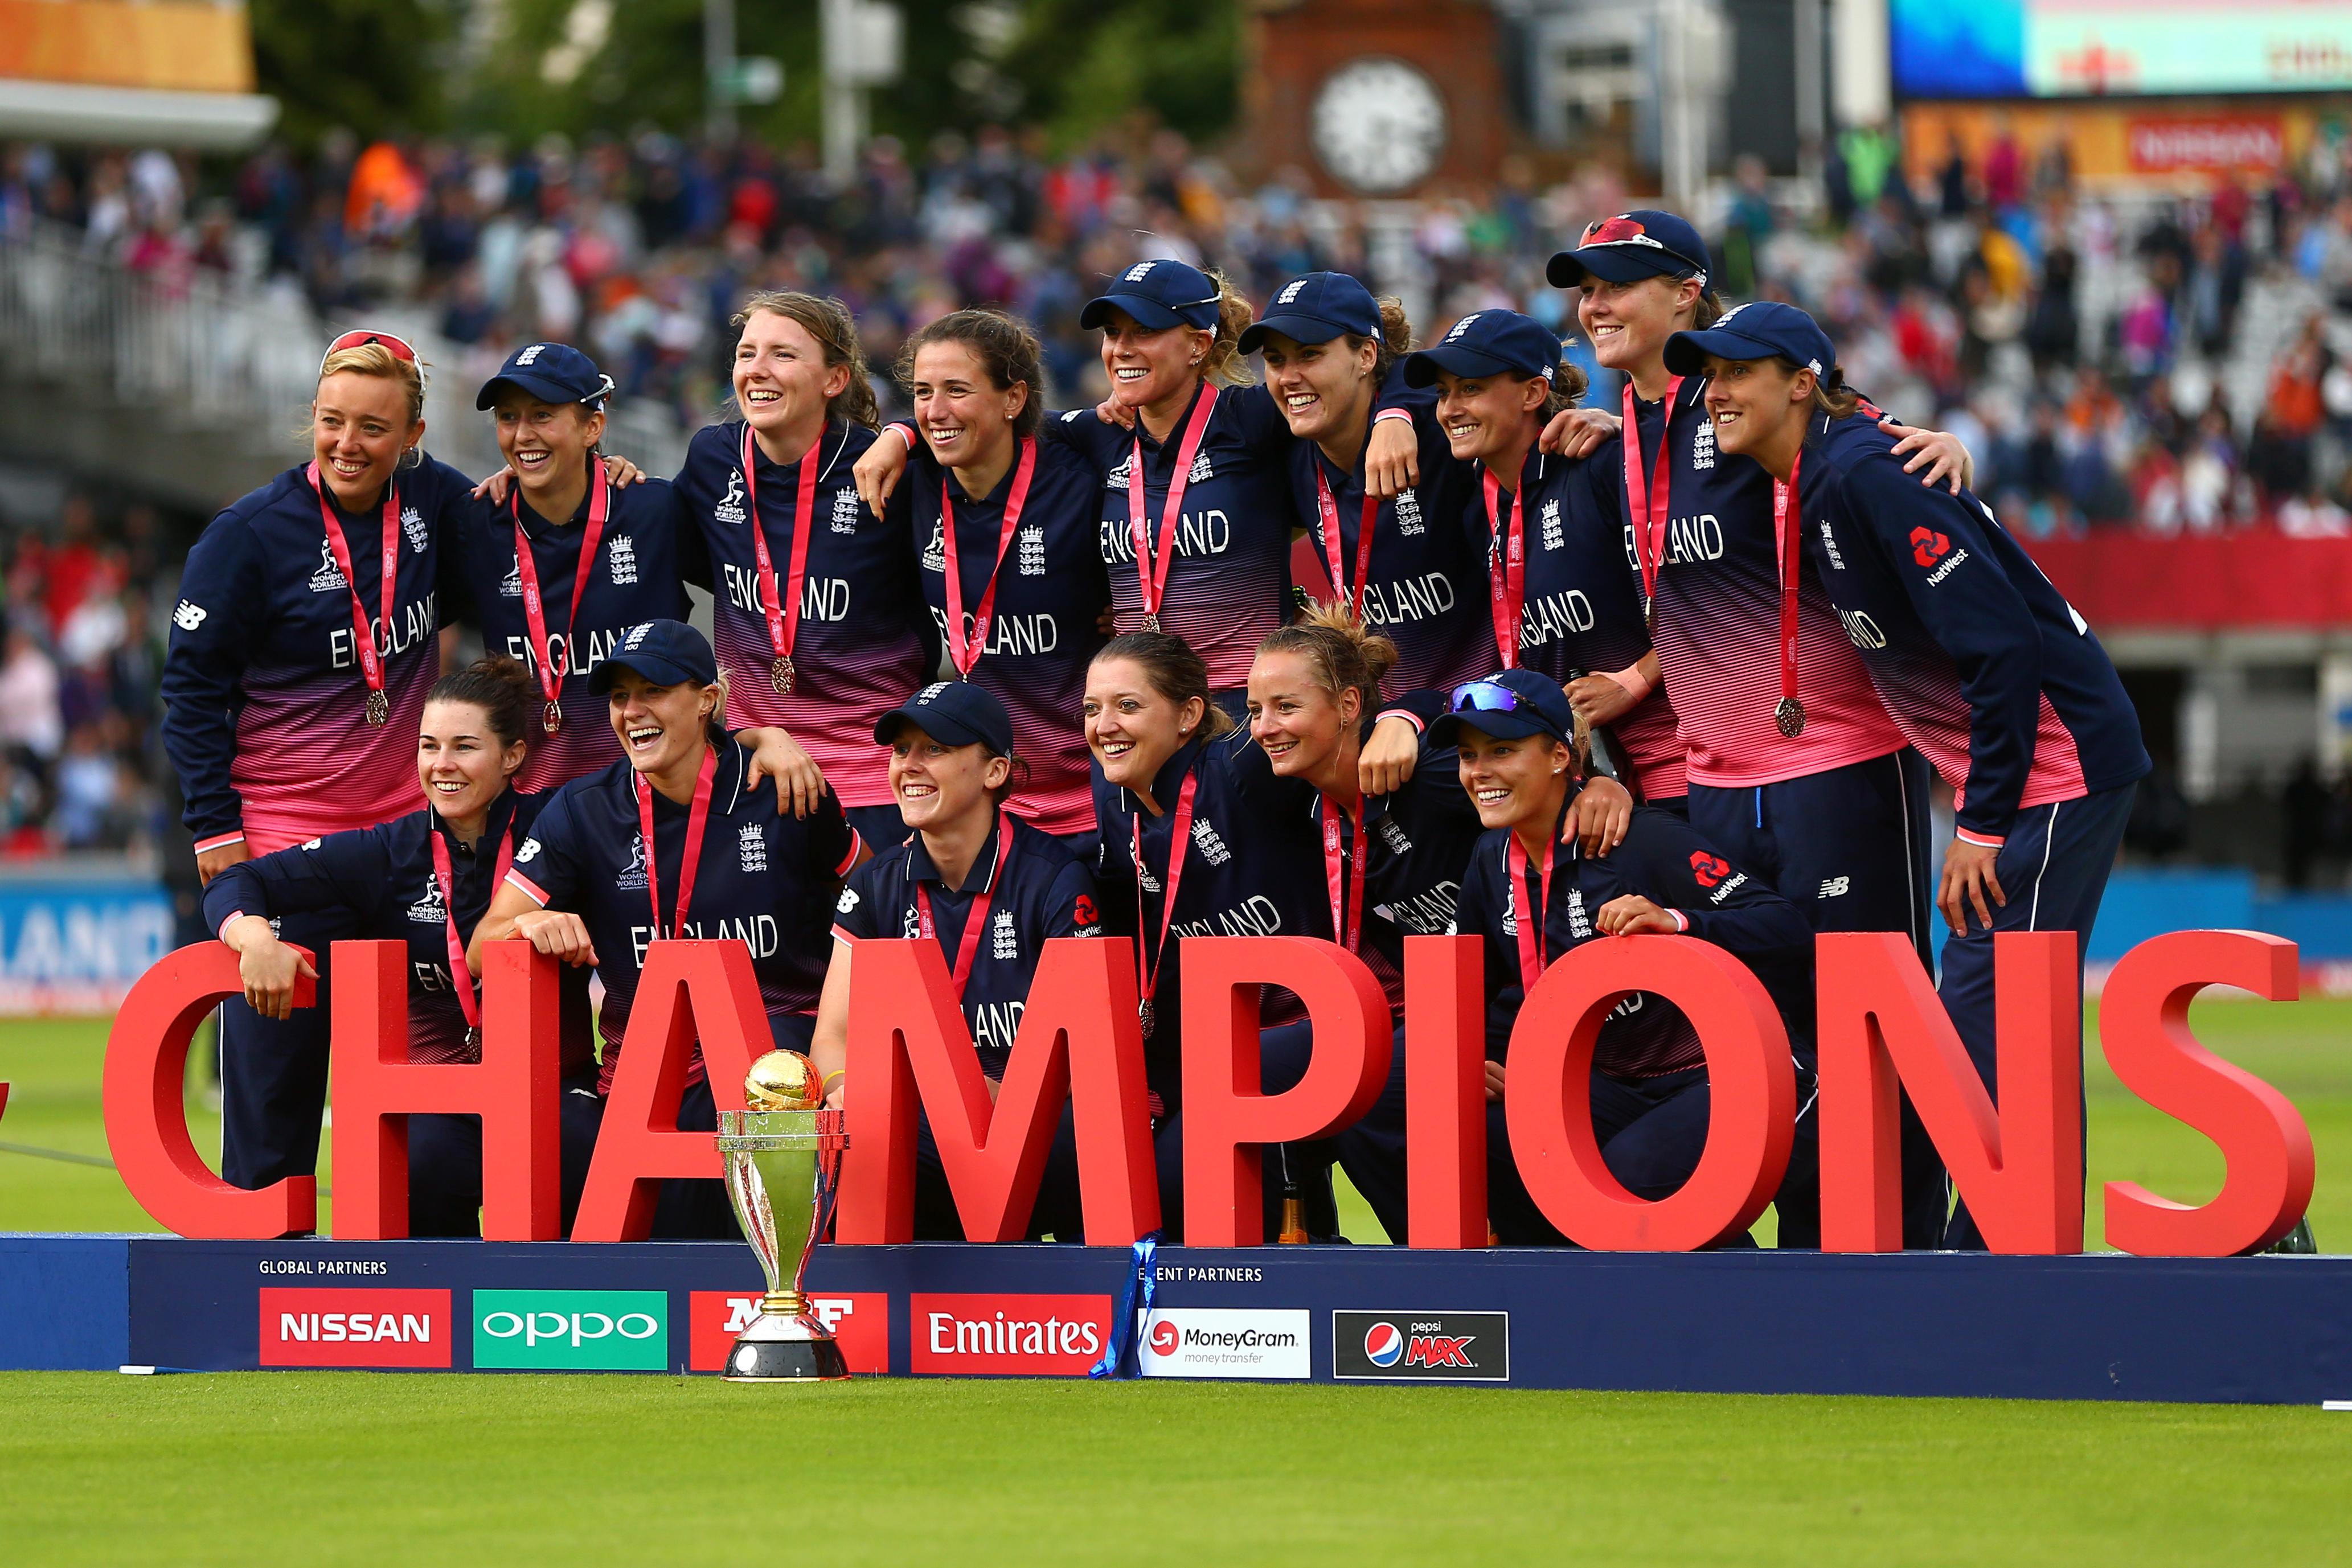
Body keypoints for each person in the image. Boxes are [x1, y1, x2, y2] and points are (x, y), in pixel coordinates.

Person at [1666, 301, 2149, 1249]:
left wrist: (1980, 822)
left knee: (1989, 1028)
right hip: (2025, 778)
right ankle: (1996, 1259)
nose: (1715, 392)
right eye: (1708, 376)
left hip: (2055, 769)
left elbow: (2002, 643)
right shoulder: (1828, 468)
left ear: (1802, 382)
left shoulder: (1864, 473)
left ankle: (2001, 1268)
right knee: (1990, 1021)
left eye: (1738, 373)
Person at [1539, 211, 1973, 1245]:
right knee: (1750, 1030)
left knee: (1875, 1019)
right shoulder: (1618, 441)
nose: (1594, 304)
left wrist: (1942, 443)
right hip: (1716, 782)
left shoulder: (1737, 391)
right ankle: (1779, 1265)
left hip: (1840, 760)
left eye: (1618, 284)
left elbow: (1861, 433)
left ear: (1686, 292)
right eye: (1583, 289)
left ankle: (1902, 1265)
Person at [162, 329, 478, 1195]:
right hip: (286, 858)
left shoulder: (438, 507)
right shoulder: (248, 536)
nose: (348, 443)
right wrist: (214, 830)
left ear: (413, 435)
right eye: (332, 421)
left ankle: (425, 1301)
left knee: (433, 1121)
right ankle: (255, 1316)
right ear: (311, 417)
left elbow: (535, 532)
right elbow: (189, 692)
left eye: (374, 427)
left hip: (409, 856)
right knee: (273, 1120)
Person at [470, 620, 865, 1237]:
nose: (632, 712)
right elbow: (481, 946)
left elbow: (879, 901)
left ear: (707, 700)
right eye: (620, 696)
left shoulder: (782, 788)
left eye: (652, 690)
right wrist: (530, 926)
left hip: (776, 1065)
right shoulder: (582, 809)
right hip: (644, 1077)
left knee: (754, 1086)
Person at [200, 658, 594, 1235]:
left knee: (580, 1152)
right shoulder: (388, 852)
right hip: (440, 1098)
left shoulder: (561, 826)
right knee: (416, 1163)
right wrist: (252, 936)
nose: (442, 765)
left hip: (550, 1092)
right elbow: (240, 881)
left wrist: (761, 736)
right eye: (428, 746)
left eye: (464, 747)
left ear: (512, 757)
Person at [1435, 670, 1816, 1246]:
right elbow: (1482, 988)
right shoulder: (1489, 859)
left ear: (1559, 757)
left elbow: (1784, 928)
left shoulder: (1639, 840)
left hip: (1724, 1075)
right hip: (1610, 1086)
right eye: (1467, 756)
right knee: (1477, 1128)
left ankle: (1740, 1313)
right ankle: (1548, 1309)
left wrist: (1679, 924)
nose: (1479, 772)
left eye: (1502, 751)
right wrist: (1481, 1061)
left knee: (1630, 1172)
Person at [856, 260, 1296, 704]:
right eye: (1112, 333)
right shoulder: (1099, 434)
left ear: (1199, 344)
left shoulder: (1252, 419)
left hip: (1246, 706)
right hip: (1142, 709)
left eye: (1144, 331)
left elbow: (1334, 392)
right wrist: (902, 434)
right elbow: (986, 421)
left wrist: (1375, 420)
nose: (1121, 349)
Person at [813, 681, 1105, 1239]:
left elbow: (1081, 1067)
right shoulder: (875, 885)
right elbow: (831, 1036)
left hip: (1026, 1140)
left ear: (995, 772)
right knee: (806, 1144)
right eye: (901, 750)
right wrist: (853, 1087)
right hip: (919, 1133)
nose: (909, 767)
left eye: (935, 749)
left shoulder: (1054, 879)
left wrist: (952, 1104)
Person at [1083, 631, 1336, 1240]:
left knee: (1184, 1179)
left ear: (1188, 715)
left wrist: (1406, 719)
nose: (1104, 726)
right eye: (1091, 709)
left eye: (1128, 705)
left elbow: (1347, 713)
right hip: (1207, 1052)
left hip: (1316, 1033)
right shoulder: (1110, 793)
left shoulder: (1240, 765)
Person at [1390, 308, 1689, 808]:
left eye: (1470, 389)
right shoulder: (1481, 513)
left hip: (1678, 762)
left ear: (1532, 393)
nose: (1449, 409)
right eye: (1443, 393)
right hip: (1584, 781)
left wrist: (1635, 680)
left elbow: (1708, 593)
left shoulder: (1599, 468)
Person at [672, 292, 936, 852]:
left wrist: (904, 435)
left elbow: (985, 435)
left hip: (876, 784)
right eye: (746, 354)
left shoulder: (885, 472)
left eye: (783, 355)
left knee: (875, 943)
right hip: (752, 773)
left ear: (834, 380)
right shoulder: (711, 460)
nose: (757, 370)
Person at [450, 344, 757, 799]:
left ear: (592, 426)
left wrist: (763, 727)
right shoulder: (477, 522)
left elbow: (749, 599)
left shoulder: (655, 510)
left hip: (660, 794)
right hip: (533, 803)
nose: (521, 434)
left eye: (542, 415)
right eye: (508, 417)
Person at [888, 309, 1110, 846]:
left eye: (957, 390)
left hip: (1094, 798)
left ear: (1013, 399)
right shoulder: (912, 481)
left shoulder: (1082, 480)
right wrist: (897, 434)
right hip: (986, 807)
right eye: (922, 392)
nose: (935, 411)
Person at [1246, 272, 1493, 695]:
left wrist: (1398, 409)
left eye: (1309, 354)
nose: (1288, 377)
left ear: (1366, 357)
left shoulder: (1443, 433)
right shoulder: (1287, 450)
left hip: (1486, 711)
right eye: (1275, 360)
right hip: (1385, 718)